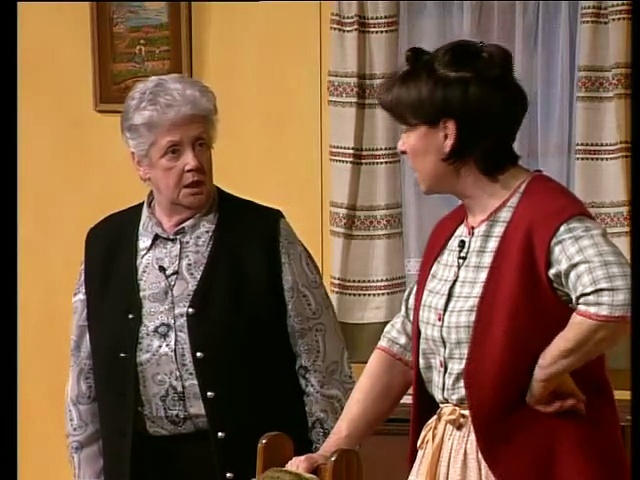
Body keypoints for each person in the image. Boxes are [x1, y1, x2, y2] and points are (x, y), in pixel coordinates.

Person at [286, 39, 631, 479]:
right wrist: (331, 450)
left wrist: (547, 370)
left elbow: (615, 295)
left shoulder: (544, 216)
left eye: (409, 128)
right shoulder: (451, 230)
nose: (401, 146)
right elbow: (401, 347)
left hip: (528, 461)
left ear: (447, 134)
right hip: (453, 454)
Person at [65, 74, 355, 480]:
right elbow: (86, 383)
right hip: (142, 466)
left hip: (251, 467)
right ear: (141, 164)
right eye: (174, 151)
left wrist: (322, 462)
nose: (193, 162)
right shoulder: (105, 245)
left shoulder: (264, 234)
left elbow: (323, 364)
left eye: (201, 144)